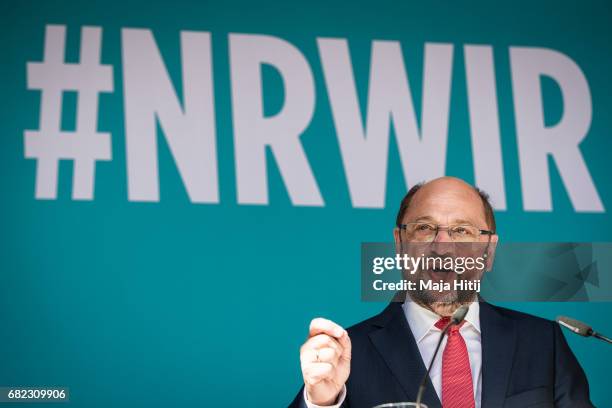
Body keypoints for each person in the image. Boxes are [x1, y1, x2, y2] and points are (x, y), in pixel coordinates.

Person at [289, 177, 593, 408]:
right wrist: (321, 402)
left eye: (462, 230)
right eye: (424, 228)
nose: (443, 246)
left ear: (488, 252)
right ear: (399, 244)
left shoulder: (544, 343)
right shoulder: (348, 355)